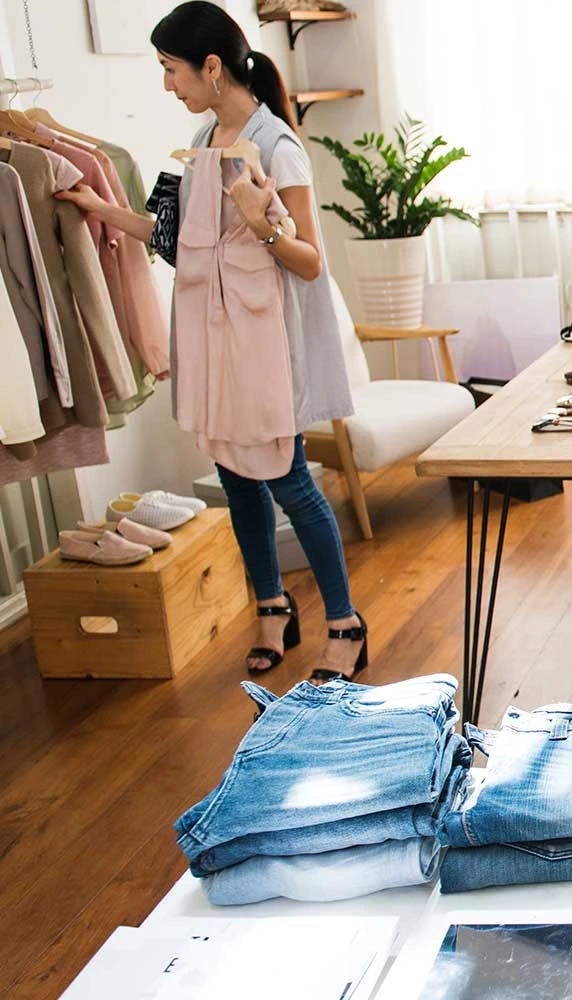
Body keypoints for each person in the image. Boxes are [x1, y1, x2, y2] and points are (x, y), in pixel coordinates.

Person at [57, 1, 367, 682]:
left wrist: (261, 224)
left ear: (212, 66)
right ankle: (272, 608)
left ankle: (345, 622)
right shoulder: (201, 144)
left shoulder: (277, 147)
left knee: (288, 480)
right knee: (236, 477)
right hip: (216, 344)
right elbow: (173, 241)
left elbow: (311, 261)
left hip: (264, 351)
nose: (168, 84)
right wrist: (100, 210)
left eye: (172, 69)